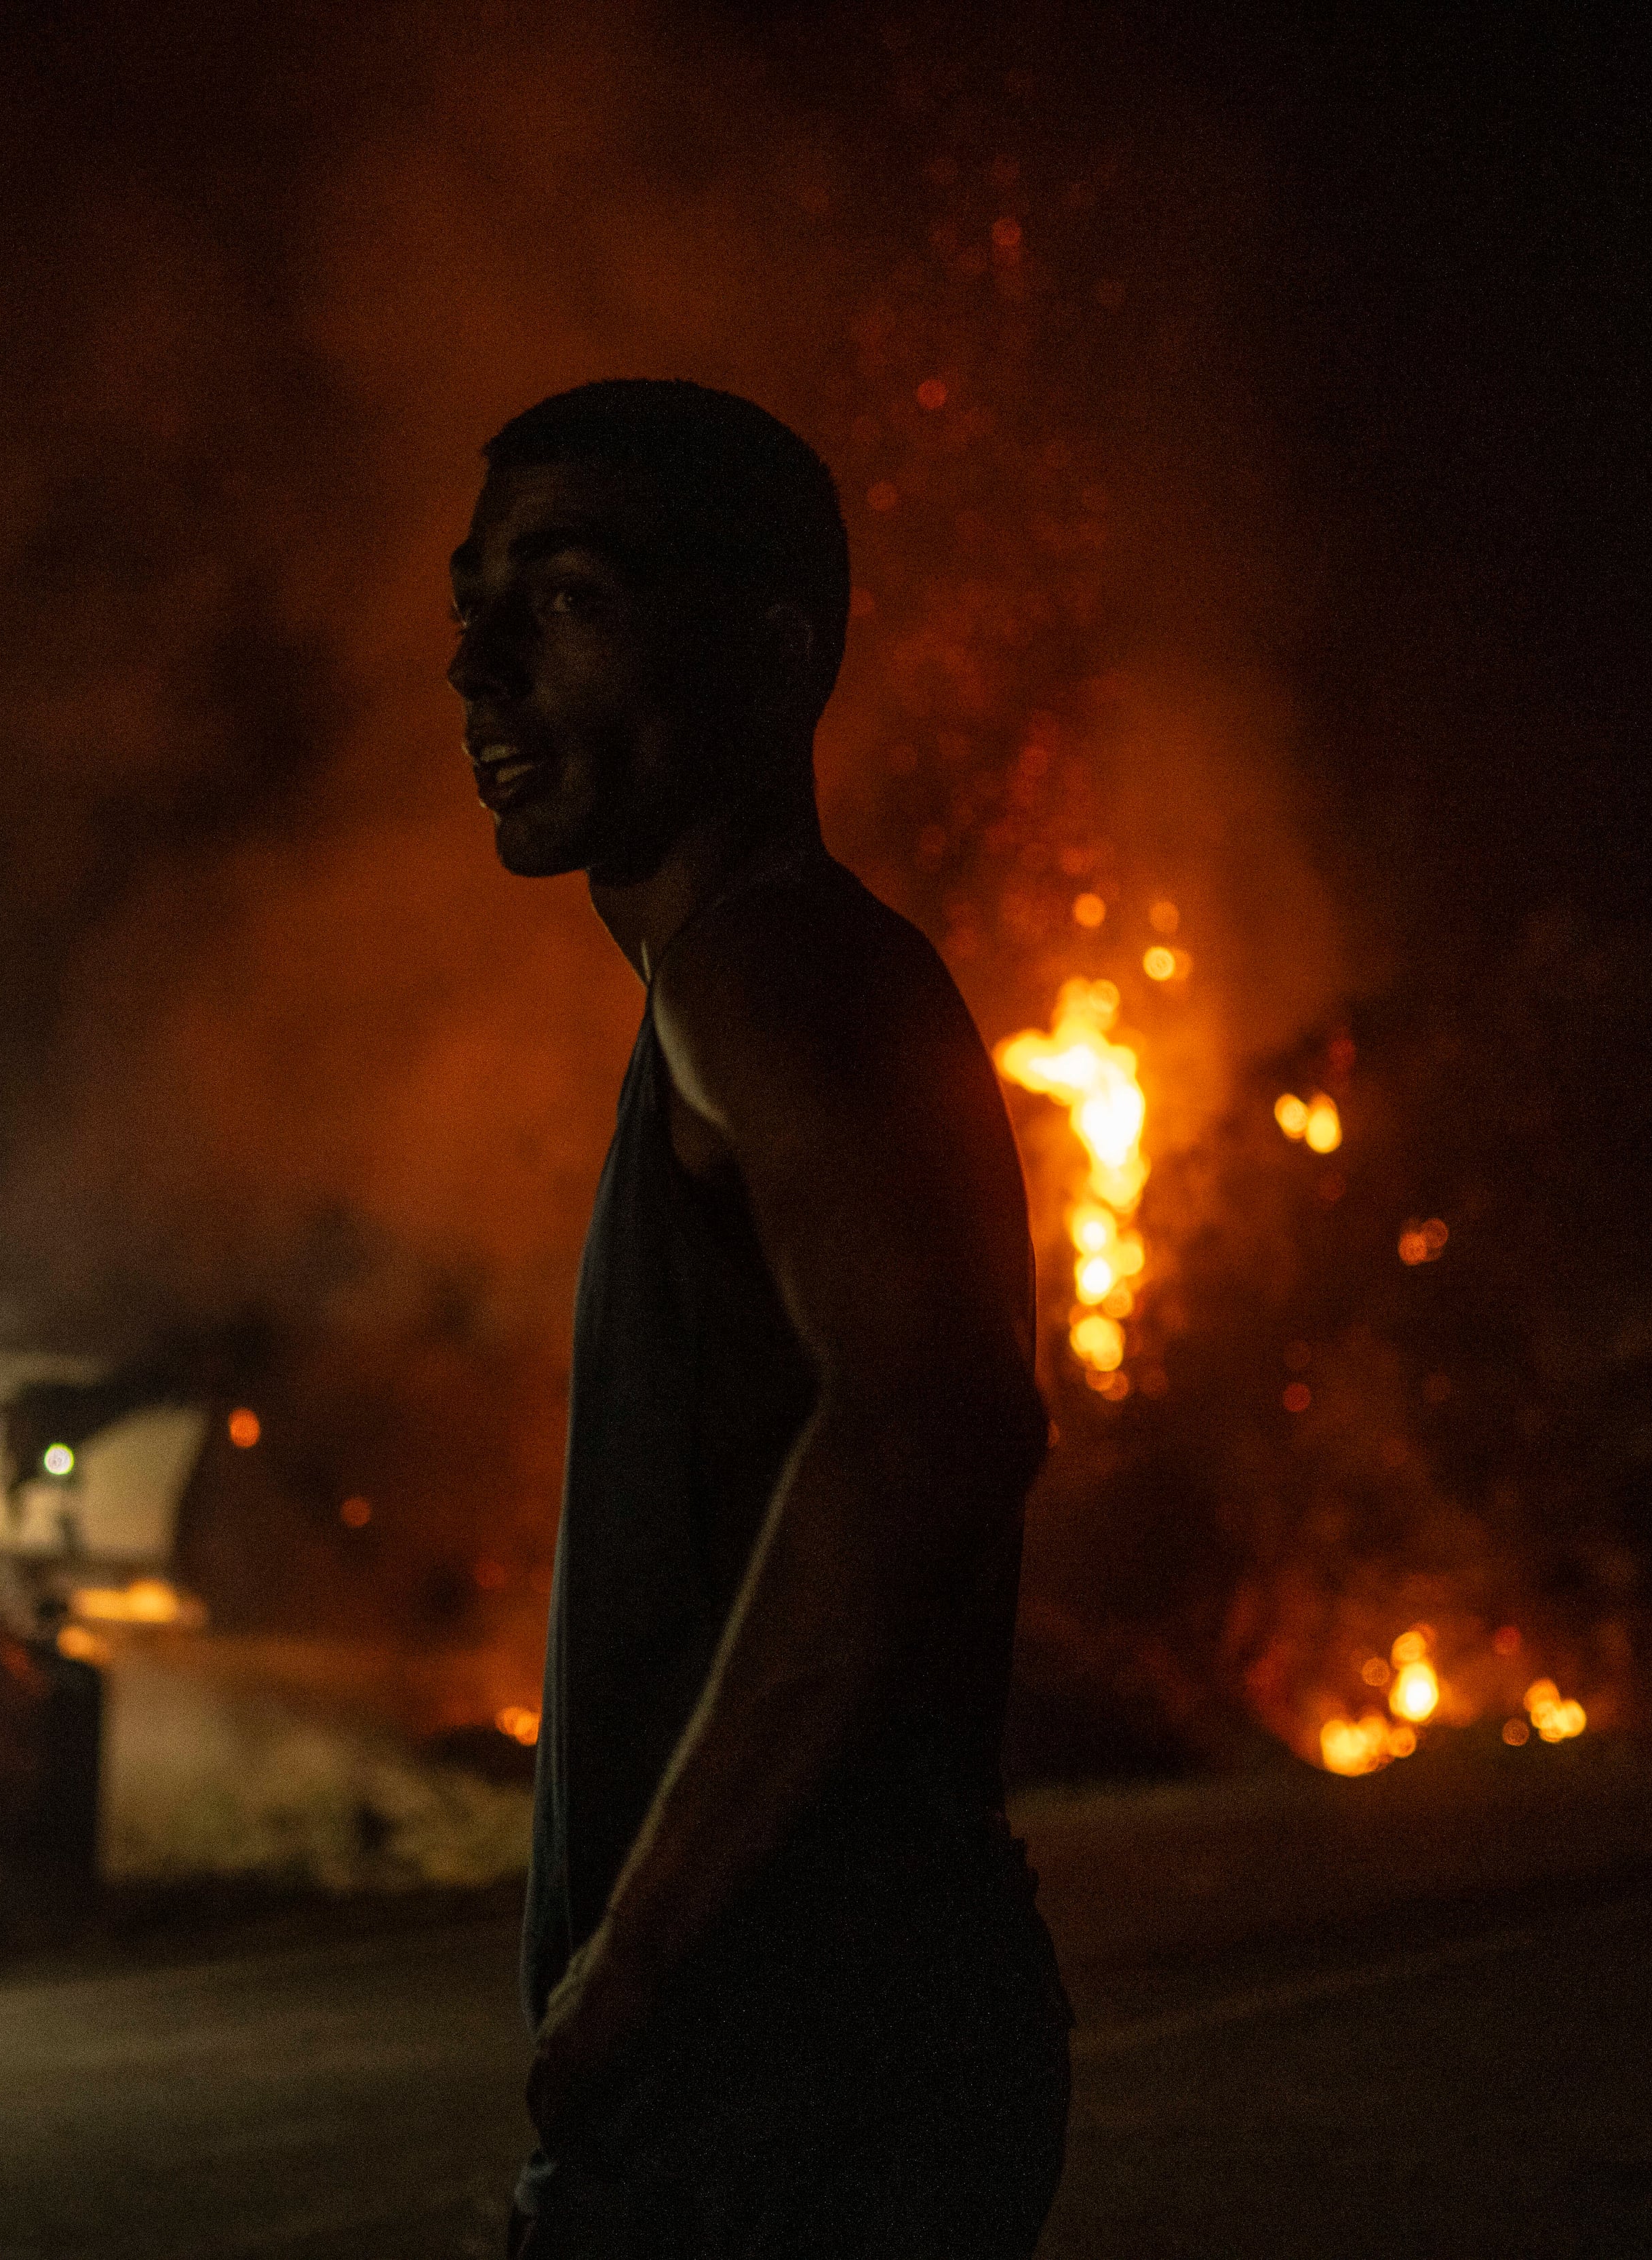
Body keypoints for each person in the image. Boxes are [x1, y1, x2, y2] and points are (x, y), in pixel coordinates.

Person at [450, 379, 1069, 2257]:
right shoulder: (753, 983)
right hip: (811, 2055)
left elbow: (934, 1417)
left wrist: (639, 1961)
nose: (477, 669)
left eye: (561, 600)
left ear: (778, 650)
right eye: (472, 602)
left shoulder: (768, 966)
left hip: (778, 2068)